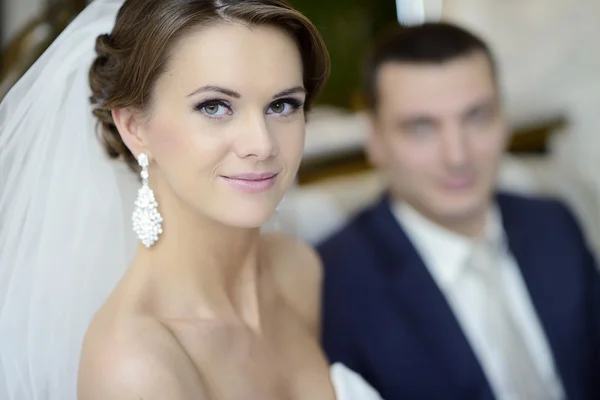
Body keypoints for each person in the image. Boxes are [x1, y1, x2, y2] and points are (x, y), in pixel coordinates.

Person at [0, 0, 384, 399]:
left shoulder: (298, 271)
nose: (262, 144)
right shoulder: (137, 365)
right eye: (215, 107)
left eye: (282, 105)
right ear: (134, 128)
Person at [318, 22, 600, 400]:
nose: (457, 155)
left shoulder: (553, 223)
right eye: (422, 127)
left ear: (503, 116)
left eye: (477, 116)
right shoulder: (336, 283)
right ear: (374, 138)